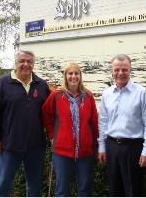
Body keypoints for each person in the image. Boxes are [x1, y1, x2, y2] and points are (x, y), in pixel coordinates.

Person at [0, 50, 51, 197]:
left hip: (35, 146)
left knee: (34, 188)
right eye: (22, 61)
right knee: (3, 186)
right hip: (9, 146)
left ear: (33, 64)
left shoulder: (41, 85)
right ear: (16, 62)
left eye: (29, 61)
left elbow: (50, 113)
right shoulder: (2, 83)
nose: (26, 64)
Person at [98, 54, 146, 196]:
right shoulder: (106, 94)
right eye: (117, 69)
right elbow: (103, 122)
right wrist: (102, 147)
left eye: (124, 69)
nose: (120, 73)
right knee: (114, 191)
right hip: (112, 146)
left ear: (130, 70)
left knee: (133, 191)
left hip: (133, 148)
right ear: (112, 71)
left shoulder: (142, 93)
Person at [42, 62, 98, 197]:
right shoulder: (56, 95)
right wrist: (52, 134)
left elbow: (94, 123)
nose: (74, 76)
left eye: (76, 73)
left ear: (80, 76)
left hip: (85, 152)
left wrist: (97, 146)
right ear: (65, 76)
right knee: (62, 190)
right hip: (62, 152)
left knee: (84, 189)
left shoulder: (88, 96)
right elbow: (45, 113)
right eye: (70, 73)